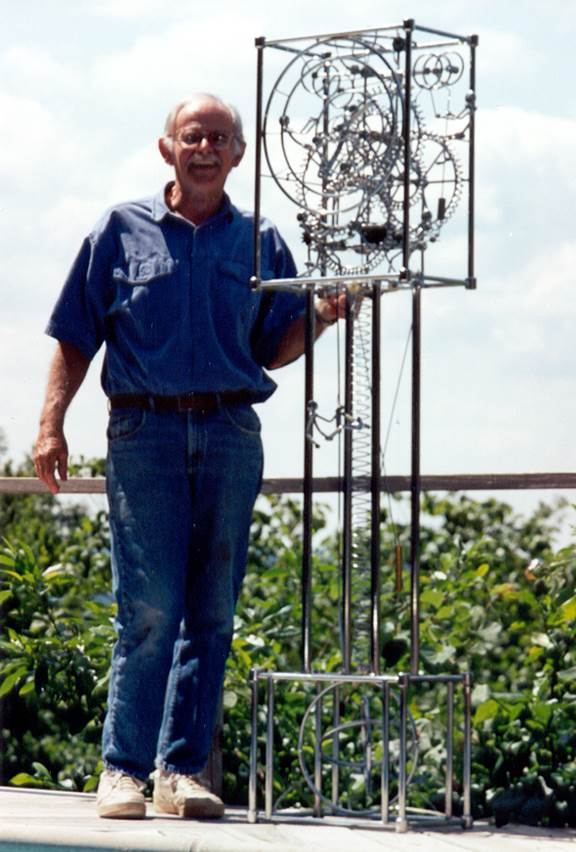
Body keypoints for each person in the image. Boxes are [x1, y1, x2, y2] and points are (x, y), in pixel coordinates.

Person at [34, 93, 343, 820]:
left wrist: (322, 319)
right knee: (148, 606)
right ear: (166, 148)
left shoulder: (263, 241)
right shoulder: (118, 229)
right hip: (145, 434)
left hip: (233, 432)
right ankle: (124, 771)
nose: (206, 147)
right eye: (193, 135)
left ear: (240, 153)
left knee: (212, 609)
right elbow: (76, 334)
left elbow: (274, 346)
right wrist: (51, 425)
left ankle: (182, 772)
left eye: (221, 138)